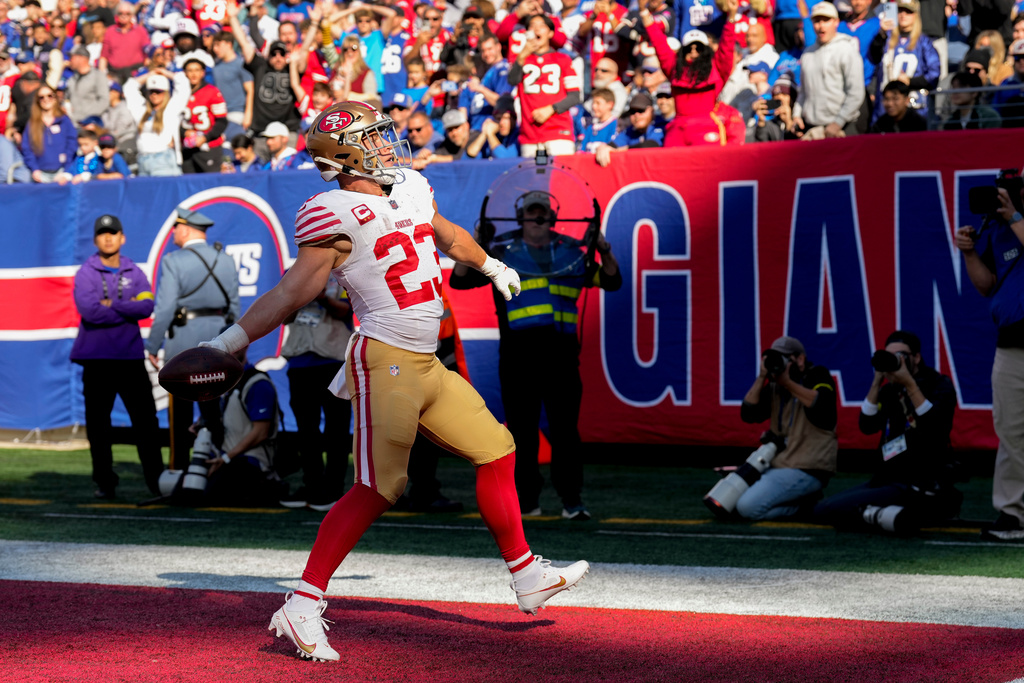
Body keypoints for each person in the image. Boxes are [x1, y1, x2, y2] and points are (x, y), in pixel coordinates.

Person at [201, 101, 589, 661]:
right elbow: (294, 291)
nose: (388, 145)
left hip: (427, 360)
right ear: (344, 154)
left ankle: (527, 574)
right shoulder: (330, 211)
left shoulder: (408, 185)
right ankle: (302, 603)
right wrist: (230, 342)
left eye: (385, 134)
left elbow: (449, 236)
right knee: (380, 487)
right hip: (384, 357)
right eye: (374, 138)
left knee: (497, 450)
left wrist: (493, 266)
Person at [450, 189, 622, 521]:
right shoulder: (500, 254)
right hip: (519, 357)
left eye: (543, 211)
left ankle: (572, 501)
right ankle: (527, 501)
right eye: (532, 212)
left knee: (565, 431)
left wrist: (605, 251)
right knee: (522, 431)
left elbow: (613, 281)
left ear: (553, 217)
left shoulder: (572, 254)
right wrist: (474, 243)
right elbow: (460, 281)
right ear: (520, 218)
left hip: (562, 357)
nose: (538, 217)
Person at [814, 331, 960, 533]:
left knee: (834, 510)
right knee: (824, 509)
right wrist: (877, 381)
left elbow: (933, 427)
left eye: (900, 355)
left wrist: (910, 383)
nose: (894, 361)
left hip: (920, 482)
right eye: (889, 355)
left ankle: (891, 513)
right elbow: (867, 425)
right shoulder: (890, 390)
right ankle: (889, 515)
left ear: (916, 357)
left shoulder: (938, 384)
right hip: (887, 478)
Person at [70, 214, 165, 499]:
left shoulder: (134, 271)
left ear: (122, 237)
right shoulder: (86, 272)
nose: (108, 238)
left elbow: (147, 306)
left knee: (146, 423)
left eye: (113, 233)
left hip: (129, 358)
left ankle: (156, 482)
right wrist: (127, 306)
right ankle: (105, 483)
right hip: (97, 360)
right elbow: (89, 310)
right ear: (96, 239)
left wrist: (112, 304)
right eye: (102, 233)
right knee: (99, 427)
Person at [146, 207, 241, 470]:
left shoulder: (173, 261)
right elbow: (234, 308)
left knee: (180, 413)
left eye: (176, 228)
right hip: (219, 342)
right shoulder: (226, 259)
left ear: (185, 229)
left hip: (184, 345)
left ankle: (179, 468)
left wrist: (153, 345)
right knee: (214, 411)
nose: (174, 233)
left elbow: (165, 309)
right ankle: (216, 466)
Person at [956, 178, 1024, 540]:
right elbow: (986, 285)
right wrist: (968, 252)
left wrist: (1014, 216)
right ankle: (1013, 515)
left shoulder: (1011, 221)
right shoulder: (999, 229)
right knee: (1011, 433)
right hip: (1011, 345)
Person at [737, 336, 838, 520]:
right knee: (729, 502)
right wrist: (762, 377)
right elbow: (748, 414)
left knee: (746, 507)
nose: (780, 364)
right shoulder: (775, 385)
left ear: (800, 359)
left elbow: (821, 405)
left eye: (785, 358)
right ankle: (799, 502)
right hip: (779, 465)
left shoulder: (817, 375)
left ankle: (809, 511)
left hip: (808, 467)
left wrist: (788, 383)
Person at [279, 278, 353, 512]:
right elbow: (284, 316)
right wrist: (301, 295)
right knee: (306, 431)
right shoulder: (295, 273)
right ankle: (312, 486)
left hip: (334, 362)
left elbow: (346, 311)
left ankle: (334, 489)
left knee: (337, 430)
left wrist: (320, 297)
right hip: (300, 363)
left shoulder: (345, 272)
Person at [642, 0, 741, 146]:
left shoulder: (717, 70)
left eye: (699, 48)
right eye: (689, 48)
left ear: (706, 51)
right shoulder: (674, 69)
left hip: (707, 130)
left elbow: (726, 46)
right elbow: (659, 43)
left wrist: (732, 16)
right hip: (677, 132)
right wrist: (644, 14)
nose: (694, 52)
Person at [201, 345, 287, 507]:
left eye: (232, 345)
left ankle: (267, 487)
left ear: (244, 347)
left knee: (210, 497)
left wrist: (226, 458)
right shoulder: (224, 383)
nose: (228, 351)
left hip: (252, 461)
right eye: (223, 346)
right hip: (227, 457)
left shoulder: (257, 383)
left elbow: (261, 432)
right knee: (187, 490)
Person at [507, 13, 581, 158]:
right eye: (532, 26)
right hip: (530, 135)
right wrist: (521, 56)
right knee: (534, 179)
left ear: (550, 33)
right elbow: (512, 80)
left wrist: (551, 109)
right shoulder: (522, 60)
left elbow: (575, 96)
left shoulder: (563, 59)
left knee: (561, 177)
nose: (536, 30)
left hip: (558, 132)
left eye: (541, 26)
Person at [791, 2, 864, 138]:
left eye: (826, 20)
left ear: (836, 22)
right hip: (812, 128)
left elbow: (856, 92)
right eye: (817, 21)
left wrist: (838, 122)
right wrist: (796, 115)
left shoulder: (847, 49)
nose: (821, 26)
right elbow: (803, 92)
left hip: (842, 128)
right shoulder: (808, 53)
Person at [867, 0, 941, 124]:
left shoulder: (923, 42)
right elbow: (873, 58)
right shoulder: (886, 38)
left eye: (908, 12)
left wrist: (910, 81)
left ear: (916, 15)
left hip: (915, 107)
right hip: (885, 109)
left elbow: (934, 74)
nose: (903, 15)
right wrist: (882, 34)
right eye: (900, 11)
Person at [123, 70, 191, 177]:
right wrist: (150, 75)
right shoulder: (141, 109)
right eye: (151, 91)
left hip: (163, 159)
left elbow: (183, 84)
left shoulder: (171, 109)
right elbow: (129, 88)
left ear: (165, 92)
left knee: (166, 192)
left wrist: (164, 72)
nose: (154, 95)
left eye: (158, 91)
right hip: (142, 159)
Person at [20, 84, 77, 184]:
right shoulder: (32, 123)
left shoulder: (64, 120)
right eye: (41, 97)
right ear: (38, 101)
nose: (46, 99)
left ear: (55, 97)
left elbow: (72, 145)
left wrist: (66, 170)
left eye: (50, 95)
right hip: (40, 175)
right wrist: (35, 169)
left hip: (62, 174)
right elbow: (27, 148)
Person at [181, 56, 228, 173]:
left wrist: (205, 137)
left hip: (209, 147)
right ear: (184, 73)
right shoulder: (179, 94)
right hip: (187, 148)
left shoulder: (212, 92)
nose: (193, 74)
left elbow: (222, 121)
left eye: (197, 70)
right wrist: (183, 132)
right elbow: (172, 120)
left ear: (203, 73)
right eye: (190, 70)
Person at [100, 2, 148, 83]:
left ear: (132, 15)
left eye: (127, 13)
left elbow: (147, 54)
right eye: (120, 13)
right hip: (115, 75)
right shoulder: (110, 31)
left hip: (136, 74)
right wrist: (102, 76)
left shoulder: (140, 31)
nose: (124, 15)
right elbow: (104, 56)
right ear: (116, 15)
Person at [65, 45, 110, 125]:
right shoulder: (73, 78)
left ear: (82, 58)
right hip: (73, 123)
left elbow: (104, 101)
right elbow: (67, 99)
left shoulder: (98, 76)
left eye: (72, 57)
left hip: (90, 124)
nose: (69, 60)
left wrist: (88, 117)